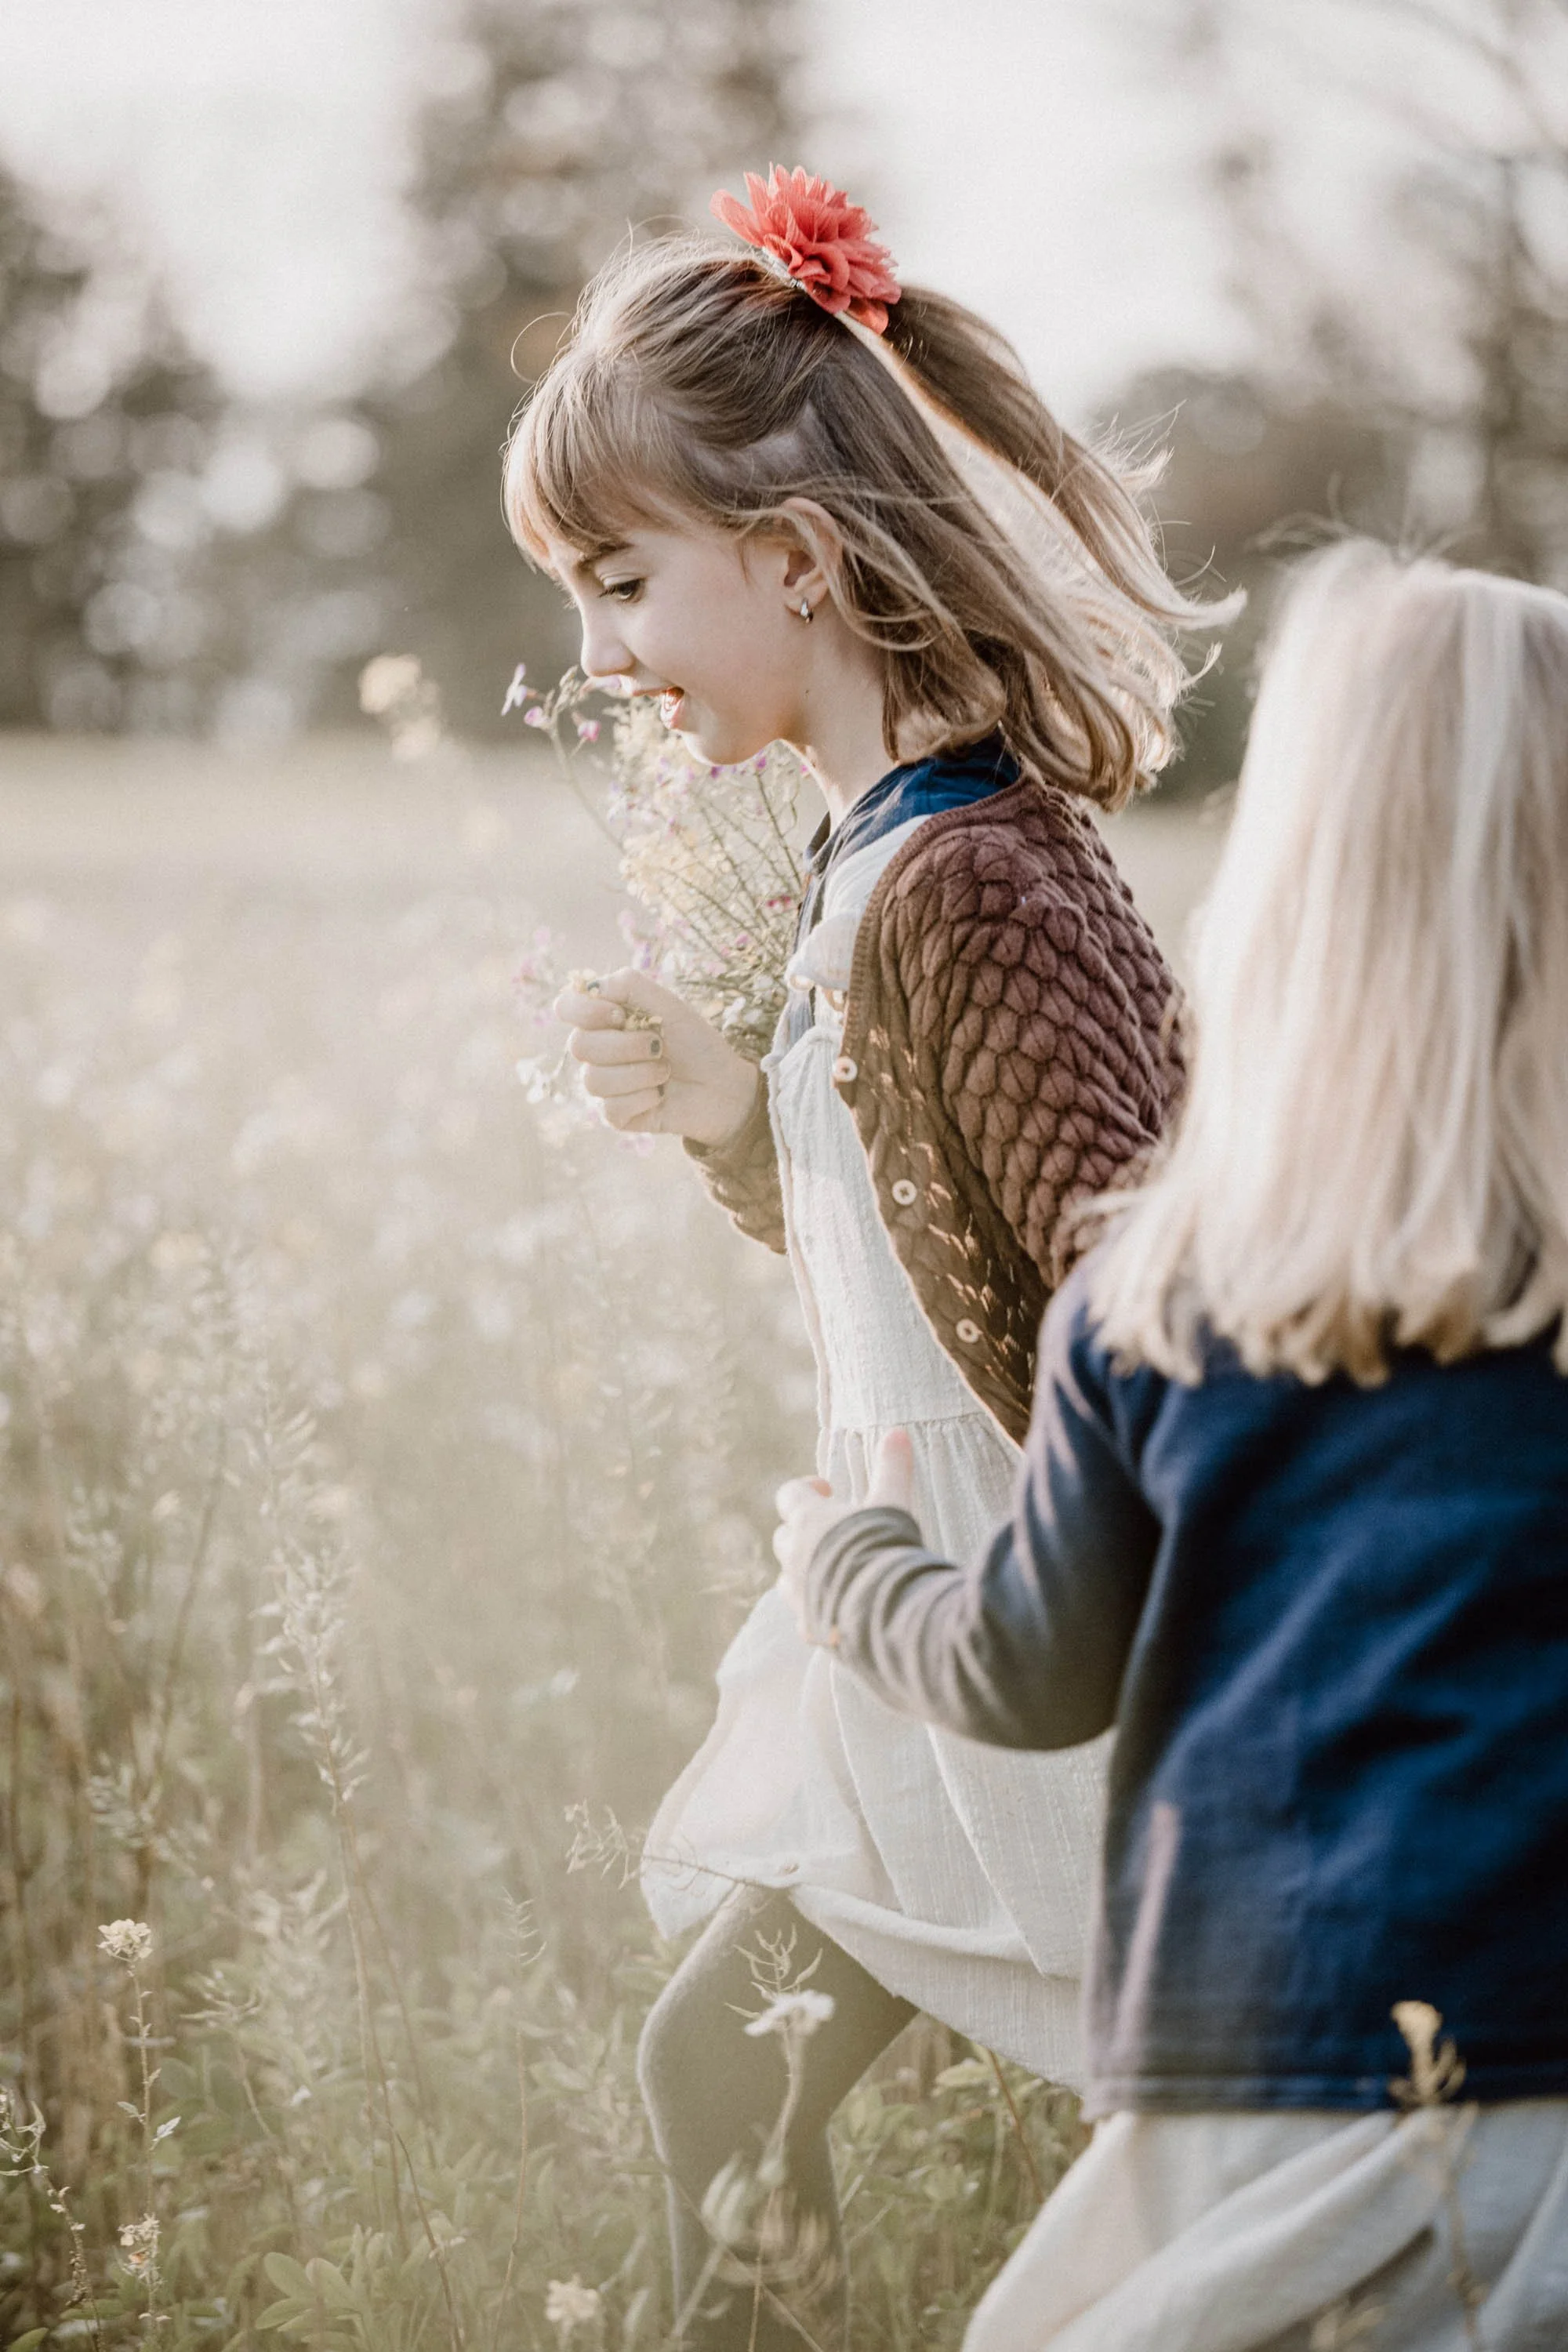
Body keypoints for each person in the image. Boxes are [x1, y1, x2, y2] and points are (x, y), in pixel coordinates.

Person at [504, 165, 1232, 2348]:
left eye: (621, 584)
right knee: (722, 2063)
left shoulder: (974, 886)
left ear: (798, 559)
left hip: (1050, 1631)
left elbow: (1140, 1307)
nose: (600, 656)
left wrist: (1054, 1626)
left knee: (1218, 2182)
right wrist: (746, 1124)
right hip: (925, 1608)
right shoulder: (878, 863)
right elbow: (916, 1268)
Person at [775, 539, 1568, 2351]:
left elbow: (1029, 1665)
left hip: (1262, 2067)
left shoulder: (1168, 1305)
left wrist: (854, 1568)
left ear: (1285, 908)